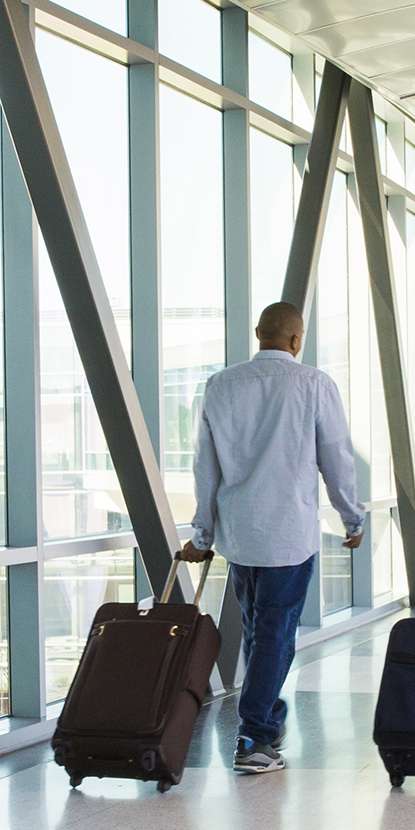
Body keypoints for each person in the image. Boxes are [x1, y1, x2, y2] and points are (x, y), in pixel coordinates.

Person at [177, 301, 366, 775]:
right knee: (275, 636)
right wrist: (352, 518)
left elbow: (205, 467)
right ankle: (255, 737)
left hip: (240, 536)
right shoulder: (314, 384)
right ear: (296, 340)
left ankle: (269, 719)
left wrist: (203, 532)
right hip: (288, 535)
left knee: (262, 632)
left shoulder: (220, 386)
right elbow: (337, 458)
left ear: (258, 333)